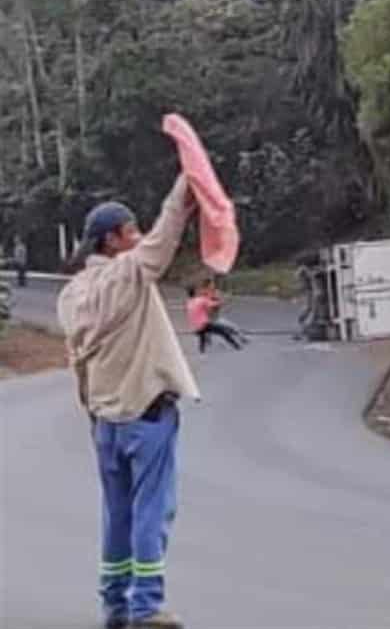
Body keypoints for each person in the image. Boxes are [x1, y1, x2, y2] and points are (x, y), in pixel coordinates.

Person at [57, 174, 199, 629]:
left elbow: (78, 362)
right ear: (113, 240)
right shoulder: (128, 274)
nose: (137, 237)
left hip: (106, 423)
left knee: (117, 514)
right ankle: (147, 606)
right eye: (130, 231)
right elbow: (163, 240)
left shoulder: (71, 295)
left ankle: (115, 604)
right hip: (145, 414)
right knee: (151, 511)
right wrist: (184, 188)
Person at [186, 285, 244, 352]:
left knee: (202, 335)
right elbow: (215, 304)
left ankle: (202, 352)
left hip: (195, 328)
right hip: (204, 324)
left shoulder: (189, 302)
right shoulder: (201, 300)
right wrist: (225, 300)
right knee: (223, 332)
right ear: (195, 292)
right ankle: (237, 346)